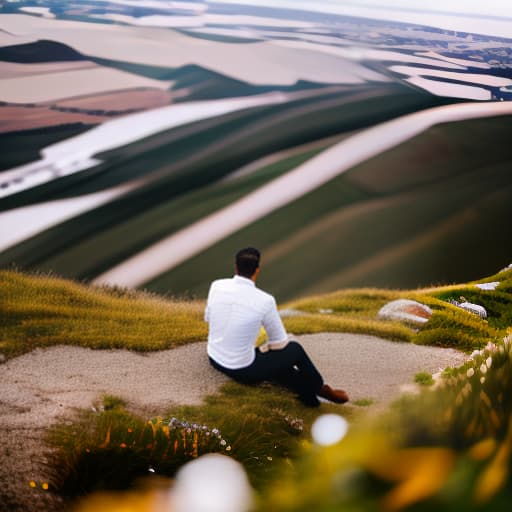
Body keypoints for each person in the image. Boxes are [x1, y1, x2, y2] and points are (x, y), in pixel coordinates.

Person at [205, 247, 349, 407]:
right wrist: (268, 348)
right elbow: (280, 342)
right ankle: (322, 389)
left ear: (236, 267)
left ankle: (309, 399)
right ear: (257, 270)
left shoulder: (216, 285)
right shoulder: (265, 300)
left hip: (214, 357)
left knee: (276, 364)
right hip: (241, 369)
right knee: (294, 350)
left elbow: (208, 318)